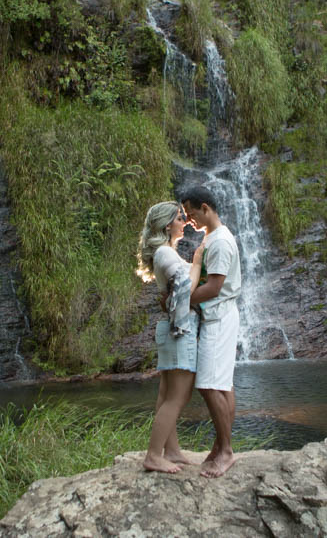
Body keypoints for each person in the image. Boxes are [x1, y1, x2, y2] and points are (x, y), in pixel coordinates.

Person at [136, 201, 204, 473]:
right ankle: (154, 456)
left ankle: (172, 451)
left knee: (166, 394)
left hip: (171, 329)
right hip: (180, 331)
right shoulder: (165, 253)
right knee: (178, 396)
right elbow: (185, 287)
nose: (185, 221)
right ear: (167, 225)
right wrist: (197, 262)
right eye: (179, 217)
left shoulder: (165, 252)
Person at [181, 186, 241, 478]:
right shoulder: (212, 237)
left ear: (205, 208)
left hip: (219, 319)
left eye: (191, 215)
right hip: (222, 317)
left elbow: (214, 287)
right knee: (223, 384)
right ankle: (220, 447)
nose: (188, 220)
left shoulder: (219, 243)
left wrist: (181, 301)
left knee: (207, 385)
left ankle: (226, 451)